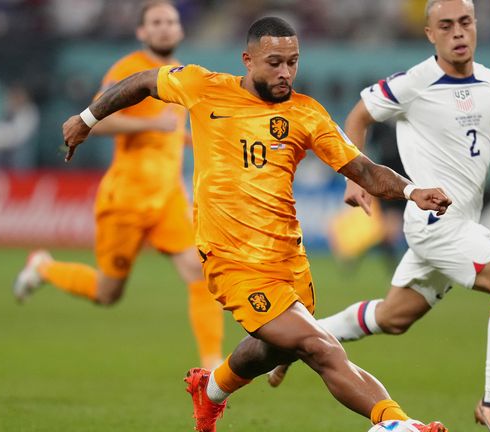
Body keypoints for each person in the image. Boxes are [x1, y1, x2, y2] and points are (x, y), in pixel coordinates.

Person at [62, 16, 453, 432]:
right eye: (274, 62)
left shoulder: (306, 114)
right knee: (318, 346)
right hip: (231, 260)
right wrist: (86, 119)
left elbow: (364, 169)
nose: (285, 72)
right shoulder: (203, 87)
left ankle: (210, 389)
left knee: (274, 348)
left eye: (292, 62)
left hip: (287, 260)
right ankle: (396, 424)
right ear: (247, 60)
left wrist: (412, 192)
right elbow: (141, 81)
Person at [269, 1, 490, 431]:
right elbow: (357, 116)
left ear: (475, 25)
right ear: (430, 34)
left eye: (465, 22)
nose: (458, 33)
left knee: (393, 317)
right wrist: (353, 177)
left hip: (463, 221)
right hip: (434, 222)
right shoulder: (414, 83)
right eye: (446, 26)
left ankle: (298, 341)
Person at [13, 0, 224, 370]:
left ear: (180, 30)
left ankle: (212, 363)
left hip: (168, 197)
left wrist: (194, 138)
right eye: (155, 22)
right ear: (142, 32)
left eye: (170, 21)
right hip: (126, 196)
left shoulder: (182, 74)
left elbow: (171, 131)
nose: (163, 28)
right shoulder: (127, 71)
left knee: (199, 271)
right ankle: (43, 266)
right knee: (107, 293)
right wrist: (149, 125)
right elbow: (92, 122)